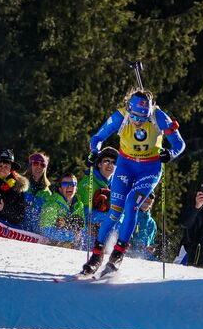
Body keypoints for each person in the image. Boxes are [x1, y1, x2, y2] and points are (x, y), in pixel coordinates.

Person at [82, 88, 186, 274]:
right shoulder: (119, 117)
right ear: (128, 109)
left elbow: (180, 144)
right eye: (135, 116)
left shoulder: (159, 117)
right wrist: (94, 151)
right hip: (125, 166)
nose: (138, 121)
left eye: (142, 117)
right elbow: (98, 137)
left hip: (149, 169)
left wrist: (168, 154)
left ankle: (117, 255)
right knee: (114, 211)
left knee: (131, 205)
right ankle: (96, 256)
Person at [77, 146, 118, 230]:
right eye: (106, 161)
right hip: (86, 231)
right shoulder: (89, 183)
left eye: (113, 162)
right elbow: (84, 212)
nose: (110, 165)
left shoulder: (114, 185)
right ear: (99, 164)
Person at [40, 173, 85, 249]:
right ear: (60, 189)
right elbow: (46, 231)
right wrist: (71, 235)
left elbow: (82, 231)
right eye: (65, 184)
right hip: (51, 247)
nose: (69, 186)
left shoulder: (79, 206)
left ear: (76, 188)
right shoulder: (52, 204)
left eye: (72, 184)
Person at [22, 152, 52, 233]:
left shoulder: (47, 193)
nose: (39, 167)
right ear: (30, 165)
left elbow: (48, 218)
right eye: (35, 163)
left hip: (36, 236)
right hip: (18, 230)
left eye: (42, 165)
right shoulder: (20, 184)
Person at [129, 191, 157, 260]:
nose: (148, 199)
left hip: (143, 260)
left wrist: (150, 249)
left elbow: (150, 243)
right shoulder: (130, 215)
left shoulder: (152, 223)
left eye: (151, 198)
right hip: (128, 257)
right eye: (146, 196)